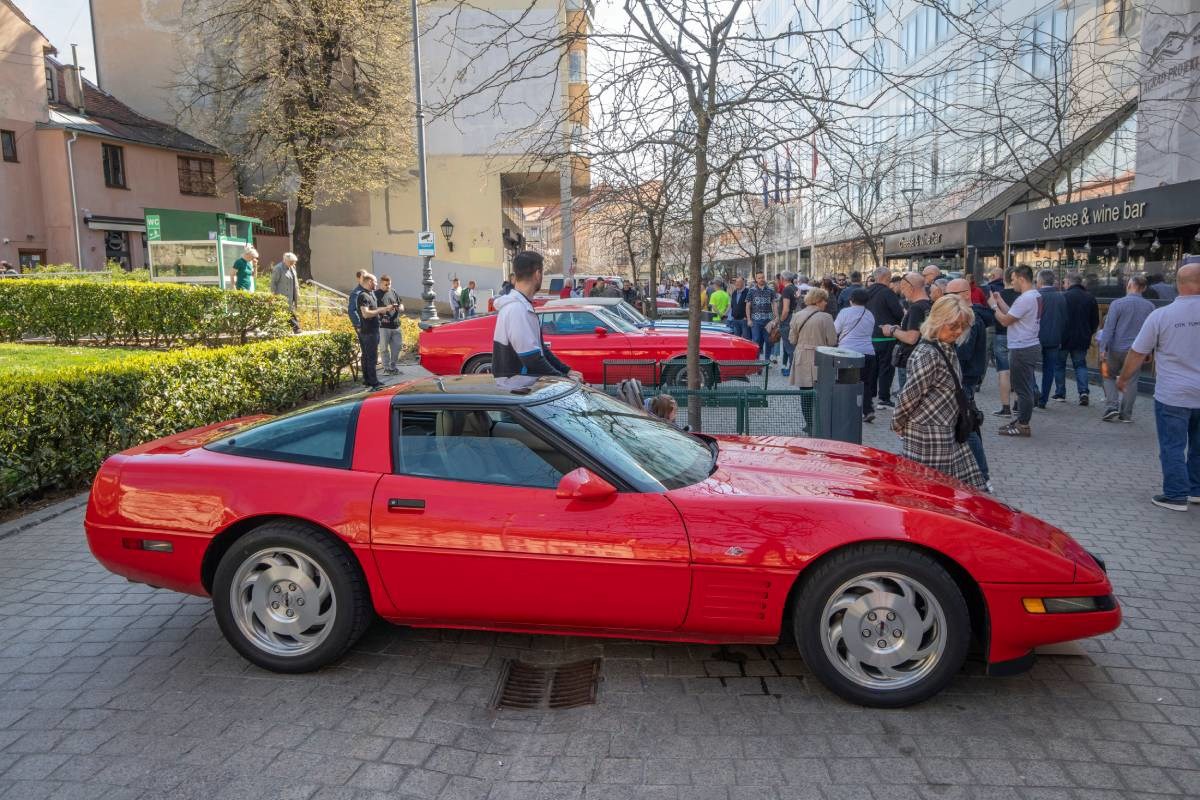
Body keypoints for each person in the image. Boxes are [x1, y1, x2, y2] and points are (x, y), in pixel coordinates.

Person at [1115, 260, 1200, 512]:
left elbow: (1138, 352)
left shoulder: (1162, 315)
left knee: (1172, 445)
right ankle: (1196, 490)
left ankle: (1175, 495)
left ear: (1179, 285)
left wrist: (1123, 378)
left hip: (1173, 393)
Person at [891, 296, 986, 489]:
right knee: (929, 491)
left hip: (942, 430)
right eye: (953, 326)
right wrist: (897, 423)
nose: (959, 331)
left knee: (942, 489)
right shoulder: (928, 353)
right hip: (928, 435)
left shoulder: (944, 347)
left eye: (963, 326)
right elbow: (910, 395)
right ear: (937, 321)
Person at [492, 251, 583, 380]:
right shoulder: (517, 309)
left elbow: (540, 350)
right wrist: (563, 380)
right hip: (518, 391)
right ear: (537, 274)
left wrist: (566, 371)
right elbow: (532, 359)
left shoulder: (521, 306)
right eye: (542, 273)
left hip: (522, 389)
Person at [947, 279, 991, 491]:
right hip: (963, 378)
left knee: (967, 426)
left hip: (964, 379)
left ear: (965, 294)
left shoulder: (971, 320)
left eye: (951, 294)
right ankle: (978, 473)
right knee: (967, 424)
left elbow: (963, 353)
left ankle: (982, 475)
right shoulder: (966, 317)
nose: (947, 299)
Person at [989, 264, 1041, 437]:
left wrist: (994, 307)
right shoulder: (1034, 296)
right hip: (1028, 344)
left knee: (1022, 389)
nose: (1012, 284)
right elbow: (1014, 314)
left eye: (1013, 280)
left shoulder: (1025, 298)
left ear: (1021, 278)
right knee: (1023, 386)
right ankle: (1021, 421)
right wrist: (1000, 301)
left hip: (1022, 347)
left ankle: (1023, 424)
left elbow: (1005, 321)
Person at [1100, 274, 1156, 422]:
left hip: (1116, 348)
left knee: (1108, 375)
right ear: (1143, 288)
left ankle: (1112, 406)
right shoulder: (1150, 306)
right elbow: (1151, 332)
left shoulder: (1117, 304)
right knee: (1132, 381)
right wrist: (1149, 351)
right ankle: (1126, 415)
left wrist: (1102, 348)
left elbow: (1109, 328)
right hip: (1137, 351)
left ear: (1130, 285)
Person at [879, 272, 931, 392]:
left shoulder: (916, 308)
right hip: (921, 358)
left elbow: (911, 338)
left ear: (910, 288)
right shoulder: (929, 304)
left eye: (903, 288)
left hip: (910, 359)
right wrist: (900, 329)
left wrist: (891, 330)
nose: (902, 292)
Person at [835, 288, 877, 422]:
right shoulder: (870, 314)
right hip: (868, 351)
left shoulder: (845, 312)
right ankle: (868, 410)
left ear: (851, 300)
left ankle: (847, 409)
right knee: (865, 383)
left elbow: (835, 329)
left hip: (847, 352)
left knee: (845, 382)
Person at [866, 267, 904, 408]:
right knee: (886, 368)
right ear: (886, 277)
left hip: (870, 336)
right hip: (886, 336)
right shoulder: (887, 292)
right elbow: (898, 313)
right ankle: (884, 398)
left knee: (872, 368)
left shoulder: (867, 292)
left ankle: (870, 396)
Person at [1061, 272, 1100, 406]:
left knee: (1060, 365)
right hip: (1082, 337)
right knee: (1080, 365)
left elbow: (1059, 318)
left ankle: (1060, 393)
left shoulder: (1064, 296)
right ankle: (1083, 392)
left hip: (1064, 337)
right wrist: (1090, 332)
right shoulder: (1090, 298)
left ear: (1070, 282)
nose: (1063, 285)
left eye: (1064, 282)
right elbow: (1095, 320)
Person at [788, 288, 837, 389]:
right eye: (824, 300)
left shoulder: (797, 315)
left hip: (801, 356)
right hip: (820, 357)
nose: (826, 303)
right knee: (820, 391)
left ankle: (806, 405)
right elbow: (832, 342)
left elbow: (792, 340)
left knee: (805, 391)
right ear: (818, 301)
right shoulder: (827, 317)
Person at [356, 273, 395, 389]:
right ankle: (373, 382)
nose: (377, 284)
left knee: (368, 357)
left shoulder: (370, 294)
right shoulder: (363, 295)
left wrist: (383, 309)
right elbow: (366, 314)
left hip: (372, 330)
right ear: (369, 282)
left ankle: (368, 380)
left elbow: (372, 310)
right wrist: (380, 311)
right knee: (371, 357)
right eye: (375, 282)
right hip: (368, 332)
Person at [990, 268, 1020, 417]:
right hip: (1018, 336)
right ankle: (1018, 404)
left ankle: (1006, 408)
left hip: (1001, 334)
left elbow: (993, 315)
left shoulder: (998, 295)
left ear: (1004, 280)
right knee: (1018, 371)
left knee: (1003, 371)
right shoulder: (1022, 296)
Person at [1036, 269, 1067, 407]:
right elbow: (1065, 319)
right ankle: (1043, 400)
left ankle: (1034, 391)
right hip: (1054, 339)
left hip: (1036, 339)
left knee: (1028, 367)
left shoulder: (1036, 295)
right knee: (1049, 370)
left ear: (1041, 281)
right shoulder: (1061, 297)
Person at [746, 272, 778, 362]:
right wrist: (748, 319)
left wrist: (776, 317)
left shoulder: (770, 290)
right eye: (759, 278)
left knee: (768, 341)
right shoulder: (751, 290)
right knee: (756, 341)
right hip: (755, 321)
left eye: (763, 277)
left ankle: (767, 360)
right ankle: (756, 361)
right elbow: (748, 305)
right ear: (756, 279)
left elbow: (774, 304)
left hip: (768, 320)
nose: (761, 279)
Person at [375, 275, 404, 374]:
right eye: (386, 285)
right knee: (384, 348)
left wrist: (400, 308)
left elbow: (401, 304)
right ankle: (386, 368)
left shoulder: (393, 291)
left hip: (396, 325)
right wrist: (387, 308)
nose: (388, 286)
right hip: (383, 326)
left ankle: (393, 366)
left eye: (389, 284)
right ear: (380, 284)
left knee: (398, 347)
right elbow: (374, 310)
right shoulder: (376, 294)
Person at [270, 252, 301, 333]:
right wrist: (272, 295)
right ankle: (296, 328)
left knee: (287, 312)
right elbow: (273, 282)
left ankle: (282, 329)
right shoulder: (278, 268)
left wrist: (297, 292)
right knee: (288, 312)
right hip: (282, 295)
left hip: (291, 295)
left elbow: (296, 281)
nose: (293, 263)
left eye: (294, 262)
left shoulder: (292, 267)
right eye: (291, 261)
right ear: (285, 260)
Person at [777, 272, 801, 377]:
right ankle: (793, 369)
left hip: (787, 320)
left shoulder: (786, 290)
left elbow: (785, 309)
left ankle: (792, 371)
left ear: (782, 279)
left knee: (789, 347)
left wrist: (781, 321)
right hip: (795, 318)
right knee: (792, 346)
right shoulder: (795, 288)